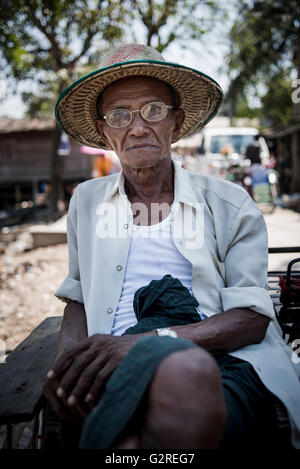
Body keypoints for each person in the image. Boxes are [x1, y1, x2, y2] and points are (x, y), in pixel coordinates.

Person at [43, 43, 300, 449]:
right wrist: (67, 363)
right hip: (108, 364)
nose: (139, 127)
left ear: (176, 124)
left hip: (219, 362)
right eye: (120, 115)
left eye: (154, 111)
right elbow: (76, 294)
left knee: (184, 378)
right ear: (104, 132)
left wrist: (147, 342)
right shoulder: (86, 202)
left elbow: (251, 318)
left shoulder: (229, 203)